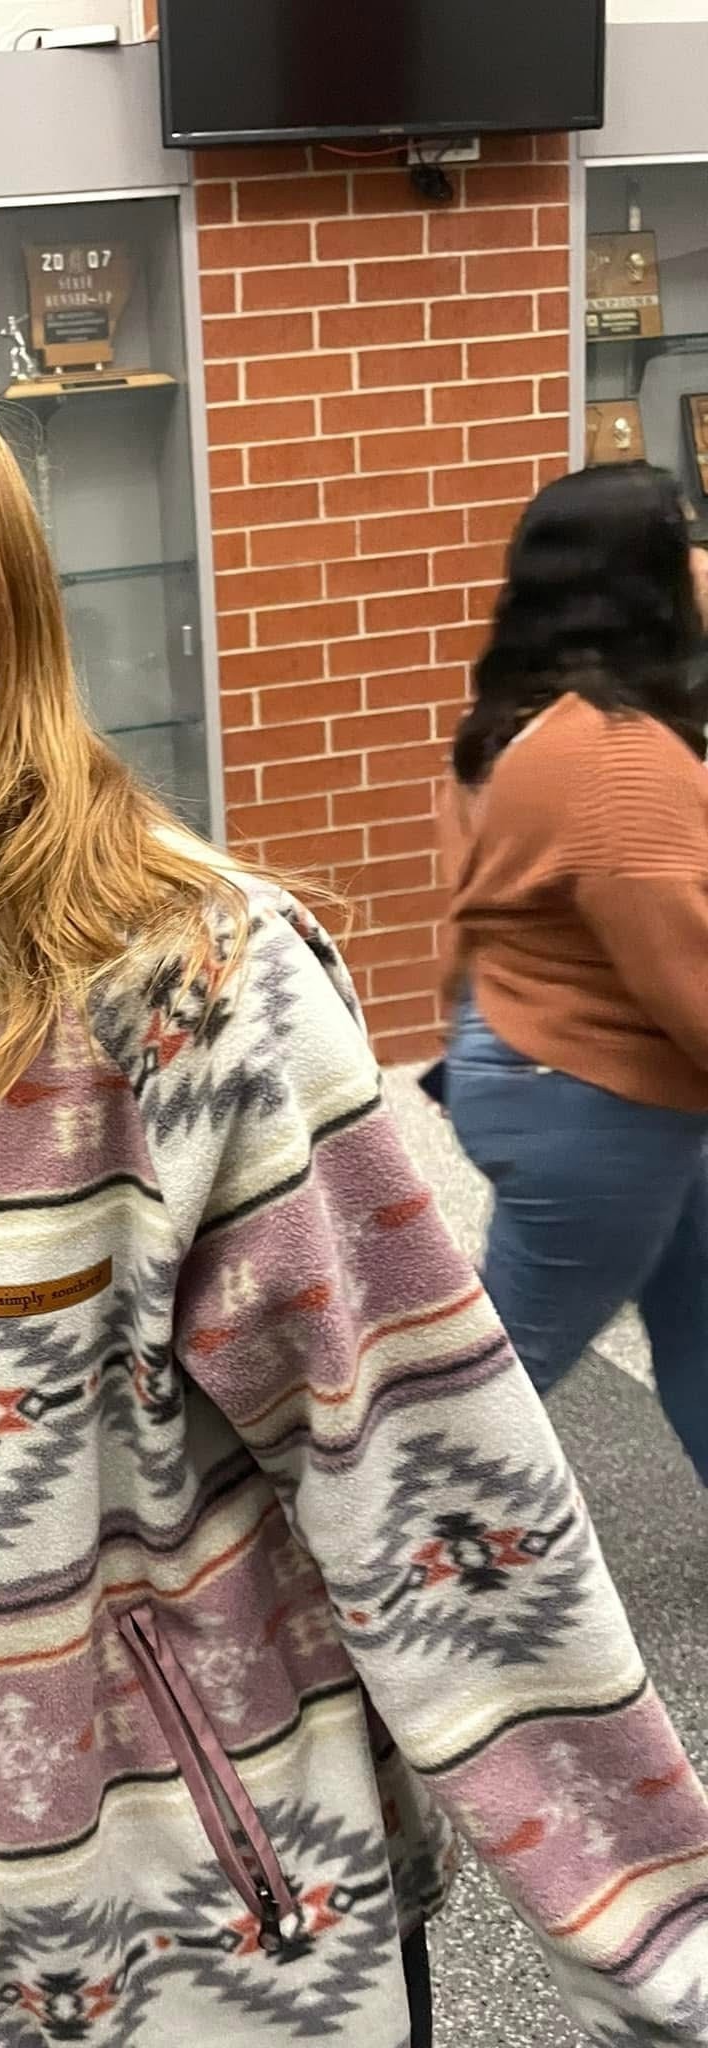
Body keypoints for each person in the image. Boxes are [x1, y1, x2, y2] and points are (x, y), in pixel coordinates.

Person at [0, 305, 708, 2048]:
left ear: (2, 599)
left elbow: (426, 1474)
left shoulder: (183, 977)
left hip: (238, 1924)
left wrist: (664, 1952)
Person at [439, 462, 708, 1483]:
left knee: (701, 1320)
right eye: (685, 538)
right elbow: (690, 983)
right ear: (642, 577)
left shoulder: (534, 715)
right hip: (597, 1096)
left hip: (544, 1061)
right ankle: (376, 1554)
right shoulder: (618, 757)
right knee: (492, 1392)